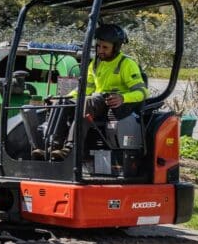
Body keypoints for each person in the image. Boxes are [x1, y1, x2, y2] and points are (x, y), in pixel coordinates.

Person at [45, 23, 147, 159]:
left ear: (116, 47)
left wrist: (123, 98)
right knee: (62, 102)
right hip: (96, 101)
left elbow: (143, 92)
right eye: (98, 46)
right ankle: (52, 147)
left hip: (112, 105)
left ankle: (71, 149)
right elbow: (86, 88)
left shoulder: (127, 64)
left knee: (88, 101)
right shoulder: (95, 63)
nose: (100, 50)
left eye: (105, 47)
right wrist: (63, 98)